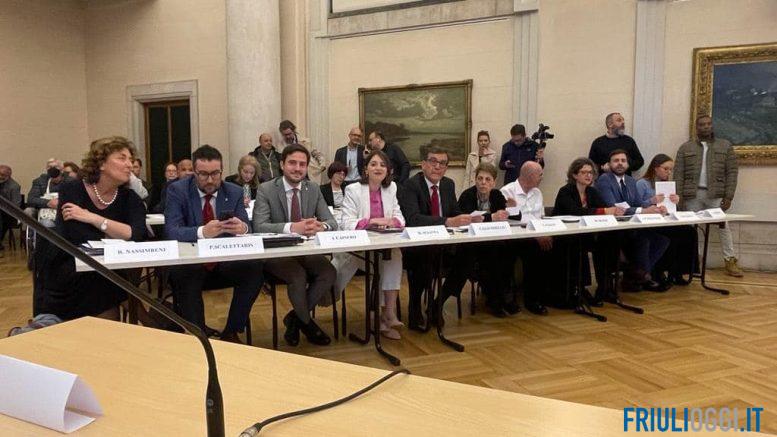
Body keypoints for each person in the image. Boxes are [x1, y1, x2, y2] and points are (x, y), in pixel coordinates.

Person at [35, 136, 146, 321]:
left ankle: (144, 319)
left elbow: (136, 234)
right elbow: (78, 236)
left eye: (131, 159)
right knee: (109, 282)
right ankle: (148, 319)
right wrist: (116, 232)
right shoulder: (72, 189)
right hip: (69, 268)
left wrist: (92, 218)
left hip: (106, 269)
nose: (130, 164)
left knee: (108, 281)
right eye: (122, 158)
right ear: (101, 163)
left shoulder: (129, 198)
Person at [164, 145, 263, 343]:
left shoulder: (233, 191)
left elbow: (248, 226)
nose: (210, 180)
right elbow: (172, 230)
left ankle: (232, 331)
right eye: (203, 174)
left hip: (223, 261)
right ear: (194, 172)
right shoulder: (178, 190)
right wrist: (202, 232)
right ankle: (199, 335)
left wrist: (242, 228)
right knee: (184, 273)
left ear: (222, 171)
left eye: (215, 174)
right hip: (193, 262)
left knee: (254, 269)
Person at [253, 143, 337, 347]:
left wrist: (322, 226)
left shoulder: (313, 188)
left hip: (305, 250)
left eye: (302, 164)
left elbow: (332, 222)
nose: (297, 168)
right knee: (298, 276)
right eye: (292, 163)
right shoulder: (266, 189)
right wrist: (293, 227)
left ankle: (295, 318)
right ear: (282, 165)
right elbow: (259, 226)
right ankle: (307, 324)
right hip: (277, 252)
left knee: (329, 272)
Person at [400, 146, 479, 330]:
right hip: (419, 246)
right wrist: (447, 221)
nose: (437, 166)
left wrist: (468, 218)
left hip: (445, 245)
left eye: (442, 163)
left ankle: (437, 304)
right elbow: (413, 219)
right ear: (423, 165)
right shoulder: (412, 185)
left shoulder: (448, 184)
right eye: (433, 161)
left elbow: (455, 213)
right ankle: (414, 307)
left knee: (469, 255)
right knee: (423, 257)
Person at [332, 150, 406, 339]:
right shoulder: (353, 189)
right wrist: (372, 221)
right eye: (373, 164)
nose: (378, 168)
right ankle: (379, 318)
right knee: (383, 262)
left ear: (388, 170)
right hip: (358, 250)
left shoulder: (392, 188)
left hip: (382, 246)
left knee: (394, 255)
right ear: (365, 169)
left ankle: (388, 313)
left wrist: (389, 221)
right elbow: (347, 223)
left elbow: (400, 219)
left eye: (382, 165)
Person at [675, 115, 742, 277]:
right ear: (696, 127)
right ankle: (693, 262)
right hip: (692, 195)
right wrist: (679, 196)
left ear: (712, 126)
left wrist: (728, 196)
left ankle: (730, 260)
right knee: (690, 229)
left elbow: (732, 173)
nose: (705, 126)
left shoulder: (725, 146)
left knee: (723, 226)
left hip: (715, 194)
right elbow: (678, 173)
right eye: (702, 124)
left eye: (708, 124)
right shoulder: (685, 147)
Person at [552, 158, 625, 304]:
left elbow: (603, 208)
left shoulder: (592, 192)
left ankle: (604, 287)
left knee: (609, 241)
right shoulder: (566, 191)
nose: (588, 175)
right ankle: (579, 288)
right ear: (574, 175)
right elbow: (575, 211)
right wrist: (604, 211)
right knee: (578, 245)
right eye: (584, 172)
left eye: (591, 172)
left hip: (586, 234)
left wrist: (614, 211)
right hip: (565, 236)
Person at [596, 150, 671, 291]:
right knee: (643, 240)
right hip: (613, 228)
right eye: (616, 160)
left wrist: (655, 207)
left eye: (623, 160)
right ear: (609, 164)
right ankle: (642, 277)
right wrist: (643, 210)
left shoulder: (630, 181)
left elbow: (638, 203)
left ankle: (637, 275)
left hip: (631, 225)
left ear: (628, 164)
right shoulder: (604, 179)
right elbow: (614, 207)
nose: (620, 163)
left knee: (662, 240)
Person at [456, 163, 517, 316]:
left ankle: (504, 297)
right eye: (480, 178)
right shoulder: (467, 195)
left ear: (494, 182)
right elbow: (466, 218)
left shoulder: (496, 195)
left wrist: (512, 208)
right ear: (475, 180)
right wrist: (491, 217)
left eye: (487, 179)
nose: (483, 182)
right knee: (491, 256)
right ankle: (496, 300)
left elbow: (510, 215)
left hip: (493, 240)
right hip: (471, 243)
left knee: (509, 251)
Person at [500, 162, 552, 315]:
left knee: (549, 248)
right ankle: (507, 299)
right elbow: (509, 221)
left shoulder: (537, 193)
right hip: (511, 238)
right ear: (530, 176)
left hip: (533, 237)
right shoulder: (507, 191)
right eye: (540, 175)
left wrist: (543, 233)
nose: (542, 178)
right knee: (509, 254)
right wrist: (536, 235)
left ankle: (537, 297)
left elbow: (540, 218)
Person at [637, 154, 697, 285]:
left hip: (664, 220)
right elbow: (635, 205)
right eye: (666, 169)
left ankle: (679, 271)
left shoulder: (667, 185)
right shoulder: (642, 184)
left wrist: (675, 202)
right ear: (655, 168)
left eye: (671, 169)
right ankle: (659, 271)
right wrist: (651, 201)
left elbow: (671, 209)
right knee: (672, 235)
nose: (669, 172)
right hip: (649, 223)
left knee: (689, 231)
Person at [26, 159, 68, 227]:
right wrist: (48, 203)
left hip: (63, 212)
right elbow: (31, 199)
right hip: (43, 212)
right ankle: (30, 232)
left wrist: (60, 203)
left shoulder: (70, 181)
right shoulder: (40, 181)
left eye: (55, 167)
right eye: (49, 167)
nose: (52, 169)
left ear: (62, 170)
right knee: (29, 211)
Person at [0, 165, 22, 258]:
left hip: (10, 215)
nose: (0, 176)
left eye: (2, 175)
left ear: (9, 175)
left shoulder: (14, 186)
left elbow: (16, 205)